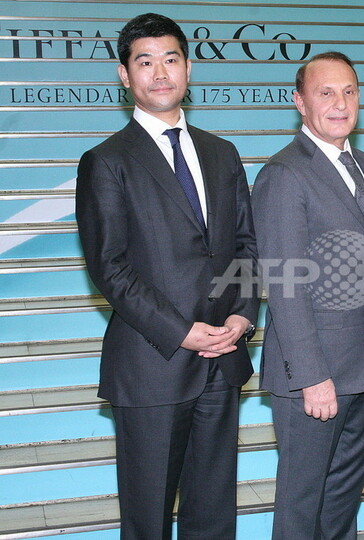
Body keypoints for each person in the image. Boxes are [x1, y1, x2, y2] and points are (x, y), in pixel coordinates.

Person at [75, 13, 259, 539]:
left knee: (213, 516)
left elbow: (246, 246)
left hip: (222, 361)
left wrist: (243, 316)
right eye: (145, 61)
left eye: (171, 59)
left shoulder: (222, 153)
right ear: (124, 75)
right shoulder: (106, 161)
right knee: (148, 518)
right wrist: (181, 331)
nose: (160, 73)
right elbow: (109, 267)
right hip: (152, 366)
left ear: (188, 68)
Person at [251, 51, 364, 539]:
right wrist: (312, 376)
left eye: (349, 92)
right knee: (301, 504)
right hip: (315, 374)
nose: (339, 103)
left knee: (342, 500)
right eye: (325, 93)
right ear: (300, 102)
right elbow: (284, 286)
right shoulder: (284, 174)